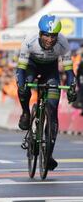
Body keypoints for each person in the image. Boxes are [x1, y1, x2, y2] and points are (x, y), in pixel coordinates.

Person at [16, 14, 77, 171]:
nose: (50, 39)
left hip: (51, 71)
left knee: (52, 110)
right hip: (31, 67)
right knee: (23, 89)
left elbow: (70, 72)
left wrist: (72, 87)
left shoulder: (63, 43)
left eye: (53, 36)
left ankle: (48, 154)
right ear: (40, 33)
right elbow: (21, 70)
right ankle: (25, 113)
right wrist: (21, 85)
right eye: (46, 35)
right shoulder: (29, 42)